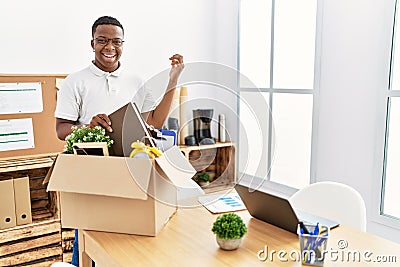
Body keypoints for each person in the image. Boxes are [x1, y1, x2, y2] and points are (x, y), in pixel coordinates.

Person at [54, 16, 184, 266]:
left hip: (129, 170)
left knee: (124, 239)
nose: (109, 47)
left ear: (123, 44)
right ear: (91, 43)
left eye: (116, 41)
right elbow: (61, 130)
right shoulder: (75, 81)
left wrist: (173, 80)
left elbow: (153, 123)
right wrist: (87, 126)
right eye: (102, 40)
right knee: (89, 234)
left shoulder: (136, 81)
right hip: (90, 170)